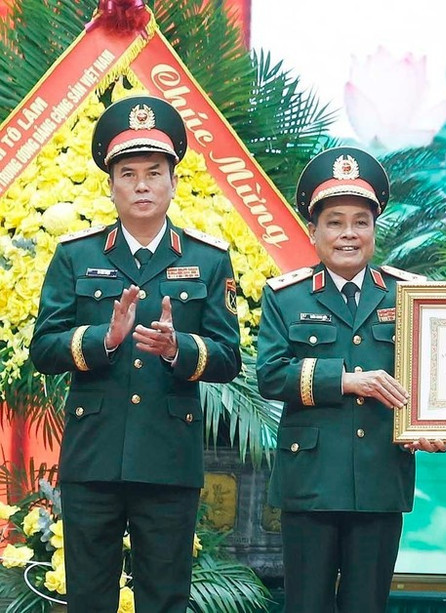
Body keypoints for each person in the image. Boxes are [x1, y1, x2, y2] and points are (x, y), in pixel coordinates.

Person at [30, 95, 242, 612]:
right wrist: (102, 340)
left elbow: (229, 357)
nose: (141, 184)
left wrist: (179, 348)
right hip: (94, 455)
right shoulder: (75, 254)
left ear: (173, 181)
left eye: (153, 172)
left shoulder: (208, 259)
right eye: (128, 173)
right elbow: (43, 348)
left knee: (165, 596)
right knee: (88, 595)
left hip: (169, 456)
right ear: (111, 184)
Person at [256, 146, 446, 613]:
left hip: (381, 474)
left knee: (367, 605)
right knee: (306, 605)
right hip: (311, 481)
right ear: (313, 231)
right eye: (335, 222)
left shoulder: (410, 296)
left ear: (374, 230)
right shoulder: (286, 296)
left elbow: (433, 380)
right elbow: (270, 375)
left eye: (360, 222)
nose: (348, 234)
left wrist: (434, 425)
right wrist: (345, 380)